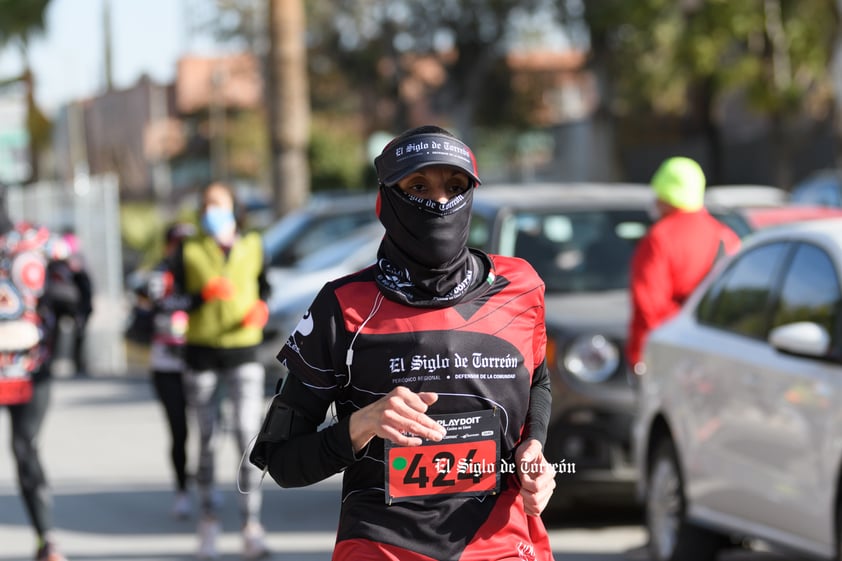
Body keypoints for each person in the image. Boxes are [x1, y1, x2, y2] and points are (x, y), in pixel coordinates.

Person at [250, 125, 557, 561]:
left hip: (504, 546)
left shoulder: (521, 286)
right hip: (383, 548)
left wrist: (536, 449)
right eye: (418, 186)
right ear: (385, 200)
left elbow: (538, 383)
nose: (438, 202)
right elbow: (280, 462)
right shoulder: (342, 306)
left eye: (455, 186)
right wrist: (363, 424)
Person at [168, 182, 271, 560]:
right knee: (207, 440)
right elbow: (173, 297)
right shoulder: (189, 248)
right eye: (208, 204)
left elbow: (264, 288)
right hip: (201, 354)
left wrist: (262, 308)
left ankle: (251, 525)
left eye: (220, 204)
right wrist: (200, 297)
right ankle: (208, 522)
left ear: (234, 208)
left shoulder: (253, 244)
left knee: (247, 436)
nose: (214, 211)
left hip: (243, 350)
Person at [0, 184, 71, 561]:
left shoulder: (36, 240)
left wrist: (69, 306)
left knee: (25, 448)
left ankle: (47, 541)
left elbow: (74, 271)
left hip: (30, 365)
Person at [626, 156, 741, 375]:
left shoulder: (659, 238)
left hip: (671, 359)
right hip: (720, 357)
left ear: (665, 195)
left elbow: (648, 307)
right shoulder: (727, 237)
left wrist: (638, 357)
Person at [136, 222, 196, 519]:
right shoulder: (159, 276)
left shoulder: (202, 272)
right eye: (178, 243)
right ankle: (182, 489)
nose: (184, 249)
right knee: (179, 430)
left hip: (201, 361)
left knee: (211, 428)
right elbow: (156, 305)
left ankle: (206, 484)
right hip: (167, 366)